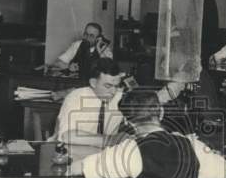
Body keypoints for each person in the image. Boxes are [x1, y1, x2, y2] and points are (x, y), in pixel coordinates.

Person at [71, 89, 226, 178]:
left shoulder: (130, 150)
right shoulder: (191, 144)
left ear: (128, 122)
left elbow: (78, 169)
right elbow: (224, 169)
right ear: (160, 113)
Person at [55, 58, 184, 147]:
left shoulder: (119, 96)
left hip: (101, 155)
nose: (113, 91)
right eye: (108, 86)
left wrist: (180, 79)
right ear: (93, 83)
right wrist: (109, 140)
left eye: (116, 86)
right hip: (68, 155)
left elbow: (154, 99)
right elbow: (67, 136)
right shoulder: (76, 97)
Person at [49, 22, 113, 76]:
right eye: (86, 34)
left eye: (91, 36)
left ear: (98, 38)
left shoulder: (105, 49)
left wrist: (99, 49)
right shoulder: (77, 44)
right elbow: (57, 62)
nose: (87, 38)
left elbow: (109, 69)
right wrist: (68, 66)